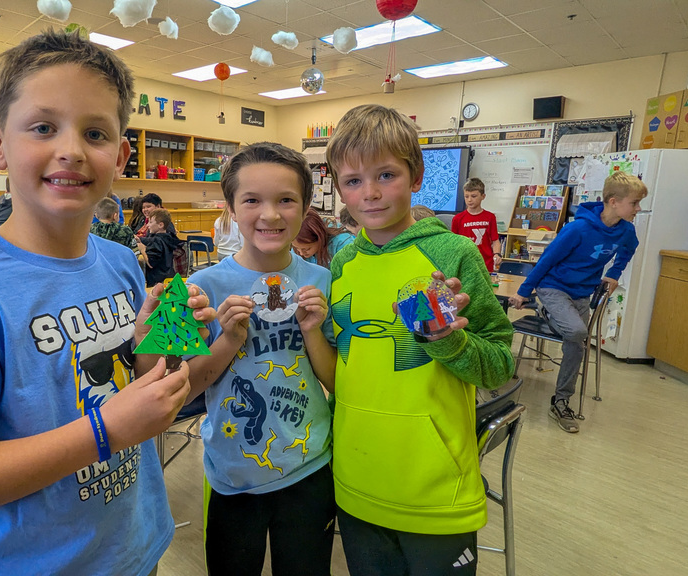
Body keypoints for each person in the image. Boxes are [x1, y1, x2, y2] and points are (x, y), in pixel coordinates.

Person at [0, 29, 214, 575]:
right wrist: (105, 431)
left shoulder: (121, 262)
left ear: (120, 155)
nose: (71, 150)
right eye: (43, 127)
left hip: (134, 547)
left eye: (95, 132)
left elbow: (138, 383)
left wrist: (154, 344)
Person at [325, 104, 515, 576]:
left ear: (416, 177)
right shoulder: (342, 263)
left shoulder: (451, 252)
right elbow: (337, 363)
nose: (369, 193)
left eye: (386, 174)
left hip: (435, 487)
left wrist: (448, 342)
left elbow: (498, 365)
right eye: (352, 181)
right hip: (355, 478)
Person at [186, 142, 336, 575]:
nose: (270, 215)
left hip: (309, 464)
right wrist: (227, 341)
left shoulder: (322, 281)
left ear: (306, 206)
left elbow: (335, 380)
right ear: (230, 209)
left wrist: (312, 332)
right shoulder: (202, 286)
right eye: (252, 200)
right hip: (232, 473)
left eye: (286, 200)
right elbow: (185, 390)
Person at [508, 171, 643, 433]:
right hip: (553, 288)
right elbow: (546, 261)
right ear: (614, 201)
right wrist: (525, 292)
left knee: (576, 342)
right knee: (578, 331)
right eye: (634, 203)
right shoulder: (577, 229)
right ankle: (542, 308)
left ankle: (561, 401)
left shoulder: (626, 230)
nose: (638, 209)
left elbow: (629, 249)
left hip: (582, 293)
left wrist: (614, 274)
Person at [451, 178, 502, 273]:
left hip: (486, 264)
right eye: (466, 196)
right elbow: (454, 243)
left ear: (483, 196)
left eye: (474, 196)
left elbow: (495, 240)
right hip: (466, 264)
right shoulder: (457, 219)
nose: (469, 200)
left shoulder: (490, 217)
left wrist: (497, 254)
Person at [91, 196, 145, 264]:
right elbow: (134, 254)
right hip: (119, 267)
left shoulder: (89, 230)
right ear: (115, 215)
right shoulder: (125, 230)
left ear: (96, 215)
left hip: (97, 267)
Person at [137, 208, 181, 287]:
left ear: (160, 225)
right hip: (168, 276)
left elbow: (150, 263)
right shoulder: (168, 237)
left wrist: (142, 249)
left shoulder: (156, 241)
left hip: (157, 281)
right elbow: (150, 240)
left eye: (150, 222)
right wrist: (140, 239)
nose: (148, 225)